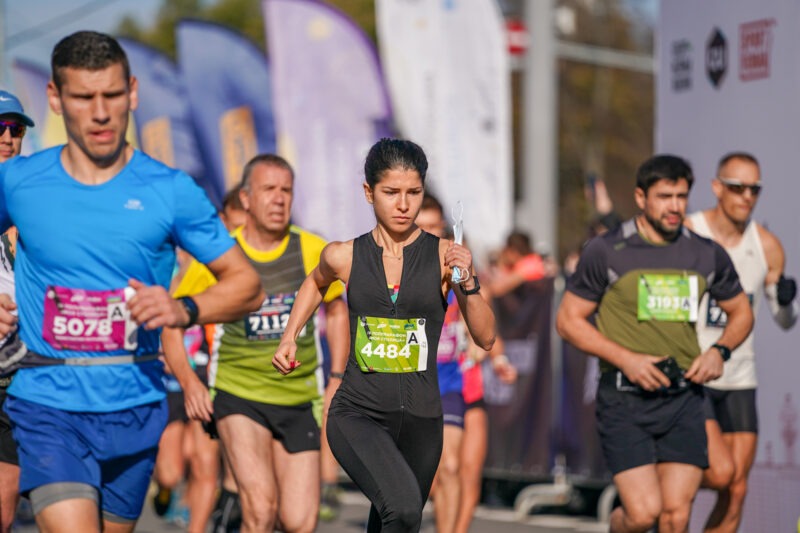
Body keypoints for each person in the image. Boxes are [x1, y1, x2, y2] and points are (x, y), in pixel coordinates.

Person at [0, 31, 263, 533]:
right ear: (56, 99)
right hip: (47, 403)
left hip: (133, 406)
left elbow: (245, 284)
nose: (100, 112)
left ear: (133, 93)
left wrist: (183, 309)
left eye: (112, 95)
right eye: (82, 96)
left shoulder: (170, 191)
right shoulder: (19, 182)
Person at [273, 138, 496, 532]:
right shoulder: (344, 255)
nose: (404, 204)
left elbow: (486, 337)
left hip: (422, 420)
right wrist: (290, 335)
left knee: (395, 521)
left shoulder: (445, 257)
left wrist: (470, 281)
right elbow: (314, 283)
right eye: (391, 193)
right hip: (358, 413)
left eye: (413, 193)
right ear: (368, 192)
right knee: (405, 509)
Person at [555, 154, 754, 533]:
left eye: (681, 196)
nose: (675, 206)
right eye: (665, 196)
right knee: (643, 514)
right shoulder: (608, 251)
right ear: (641, 198)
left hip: (683, 396)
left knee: (676, 515)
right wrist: (626, 359)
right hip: (625, 398)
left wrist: (720, 351)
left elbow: (741, 312)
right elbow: (567, 321)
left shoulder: (705, 253)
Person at [165, 153, 349, 533]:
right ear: (246, 198)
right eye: (269, 189)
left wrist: (335, 379)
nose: (279, 199)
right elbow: (172, 322)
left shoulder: (314, 249)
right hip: (238, 393)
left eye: (286, 190)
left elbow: (338, 313)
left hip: (299, 398)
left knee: (299, 521)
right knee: (261, 508)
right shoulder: (220, 258)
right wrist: (189, 382)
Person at [685, 152, 798, 533]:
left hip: (739, 377)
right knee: (718, 473)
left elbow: (784, 321)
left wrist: (785, 299)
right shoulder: (688, 233)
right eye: (737, 187)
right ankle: (664, 479)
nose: (746, 196)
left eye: (754, 189)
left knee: (736, 487)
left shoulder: (766, 246)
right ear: (717, 188)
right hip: (694, 372)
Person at [415, 193, 516, 533]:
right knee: (424, 475)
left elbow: (485, 329)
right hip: (407, 383)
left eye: (436, 228)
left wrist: (494, 356)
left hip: (455, 382)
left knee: (459, 469)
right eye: (423, 227)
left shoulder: (459, 275)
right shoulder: (394, 269)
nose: (430, 235)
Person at [0, 89, 34, 533]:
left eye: (17, 129)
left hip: (18, 373)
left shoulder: (33, 206)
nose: (8, 138)